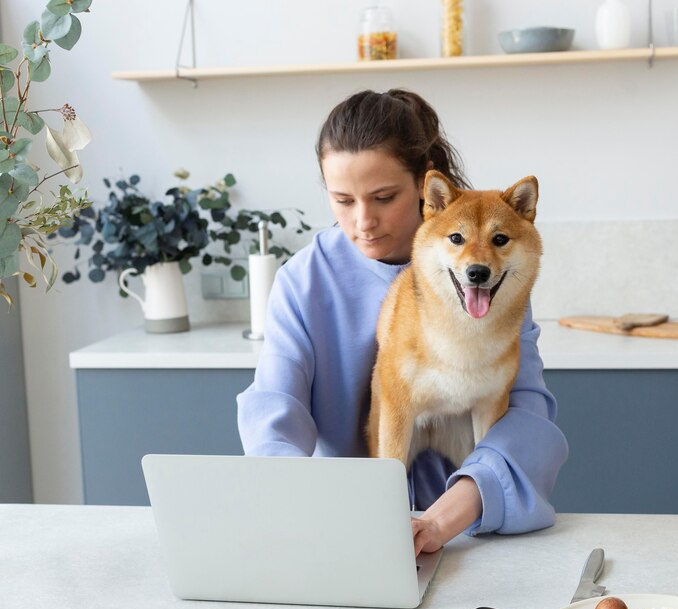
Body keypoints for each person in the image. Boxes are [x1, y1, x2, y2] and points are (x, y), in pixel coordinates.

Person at [237, 89, 568, 555]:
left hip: (470, 532)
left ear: (422, 185)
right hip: (347, 531)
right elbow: (274, 407)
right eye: (342, 200)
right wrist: (296, 497)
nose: (363, 221)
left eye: (384, 197)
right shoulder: (304, 280)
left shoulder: (483, 277)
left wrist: (445, 518)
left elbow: (526, 413)